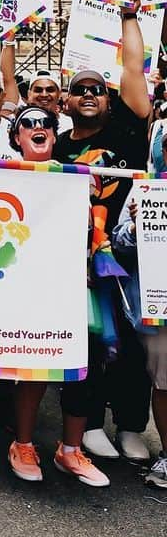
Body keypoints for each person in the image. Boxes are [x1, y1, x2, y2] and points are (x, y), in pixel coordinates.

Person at [54, 0, 152, 463]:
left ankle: (131, 426)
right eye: (80, 89)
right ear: (66, 102)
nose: (89, 94)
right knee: (89, 341)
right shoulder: (53, 148)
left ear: (110, 102)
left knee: (133, 343)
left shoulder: (127, 134)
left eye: (98, 89)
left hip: (129, 255)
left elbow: (134, 72)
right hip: (76, 262)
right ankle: (90, 424)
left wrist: (128, 17)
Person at [5, 104, 109, 487]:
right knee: (34, 366)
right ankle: (23, 444)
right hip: (26, 288)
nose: (37, 128)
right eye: (28, 124)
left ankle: (70, 451)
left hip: (70, 287)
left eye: (45, 124)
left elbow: (89, 229)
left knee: (84, 367)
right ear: (17, 138)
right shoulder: (2, 176)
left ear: (54, 133)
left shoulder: (76, 178)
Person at [112, 195, 167, 489]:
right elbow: (119, 242)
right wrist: (136, 226)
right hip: (161, 304)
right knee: (164, 383)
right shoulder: (147, 193)